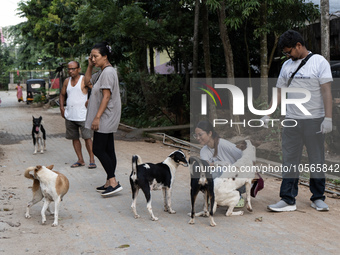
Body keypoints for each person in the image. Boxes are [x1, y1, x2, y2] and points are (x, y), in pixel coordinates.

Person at [262, 30, 333, 212]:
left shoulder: (319, 62)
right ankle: (287, 199)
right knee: (289, 159)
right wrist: (268, 113)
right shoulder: (286, 66)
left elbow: (326, 91)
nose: (287, 55)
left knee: (316, 159)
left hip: (314, 120)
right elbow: (279, 92)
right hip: (292, 120)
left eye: (289, 51)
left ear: (299, 46)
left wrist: (328, 118)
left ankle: (318, 197)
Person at [84, 42, 123, 197]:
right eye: (91, 56)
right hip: (106, 115)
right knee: (108, 149)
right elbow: (87, 82)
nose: (93, 59)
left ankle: (113, 182)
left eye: (96, 56)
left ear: (105, 57)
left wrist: (97, 118)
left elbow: (106, 96)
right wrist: (89, 66)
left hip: (106, 116)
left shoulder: (108, 72)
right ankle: (109, 181)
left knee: (98, 149)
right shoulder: (102, 71)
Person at [194, 120, 245, 206]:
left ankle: (237, 197)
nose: (198, 138)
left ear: (209, 133)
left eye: (200, 134)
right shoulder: (204, 151)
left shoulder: (223, 144)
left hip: (238, 181)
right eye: (196, 135)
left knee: (218, 172)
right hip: (223, 180)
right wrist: (217, 163)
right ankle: (216, 196)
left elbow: (245, 158)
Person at [59, 61, 96, 169]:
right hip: (70, 115)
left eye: (73, 69)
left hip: (83, 115)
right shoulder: (67, 81)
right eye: (69, 69)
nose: (71, 71)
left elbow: (96, 90)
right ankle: (80, 159)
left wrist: (90, 100)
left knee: (87, 138)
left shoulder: (84, 79)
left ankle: (92, 160)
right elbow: (62, 94)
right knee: (74, 138)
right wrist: (61, 107)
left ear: (79, 69)